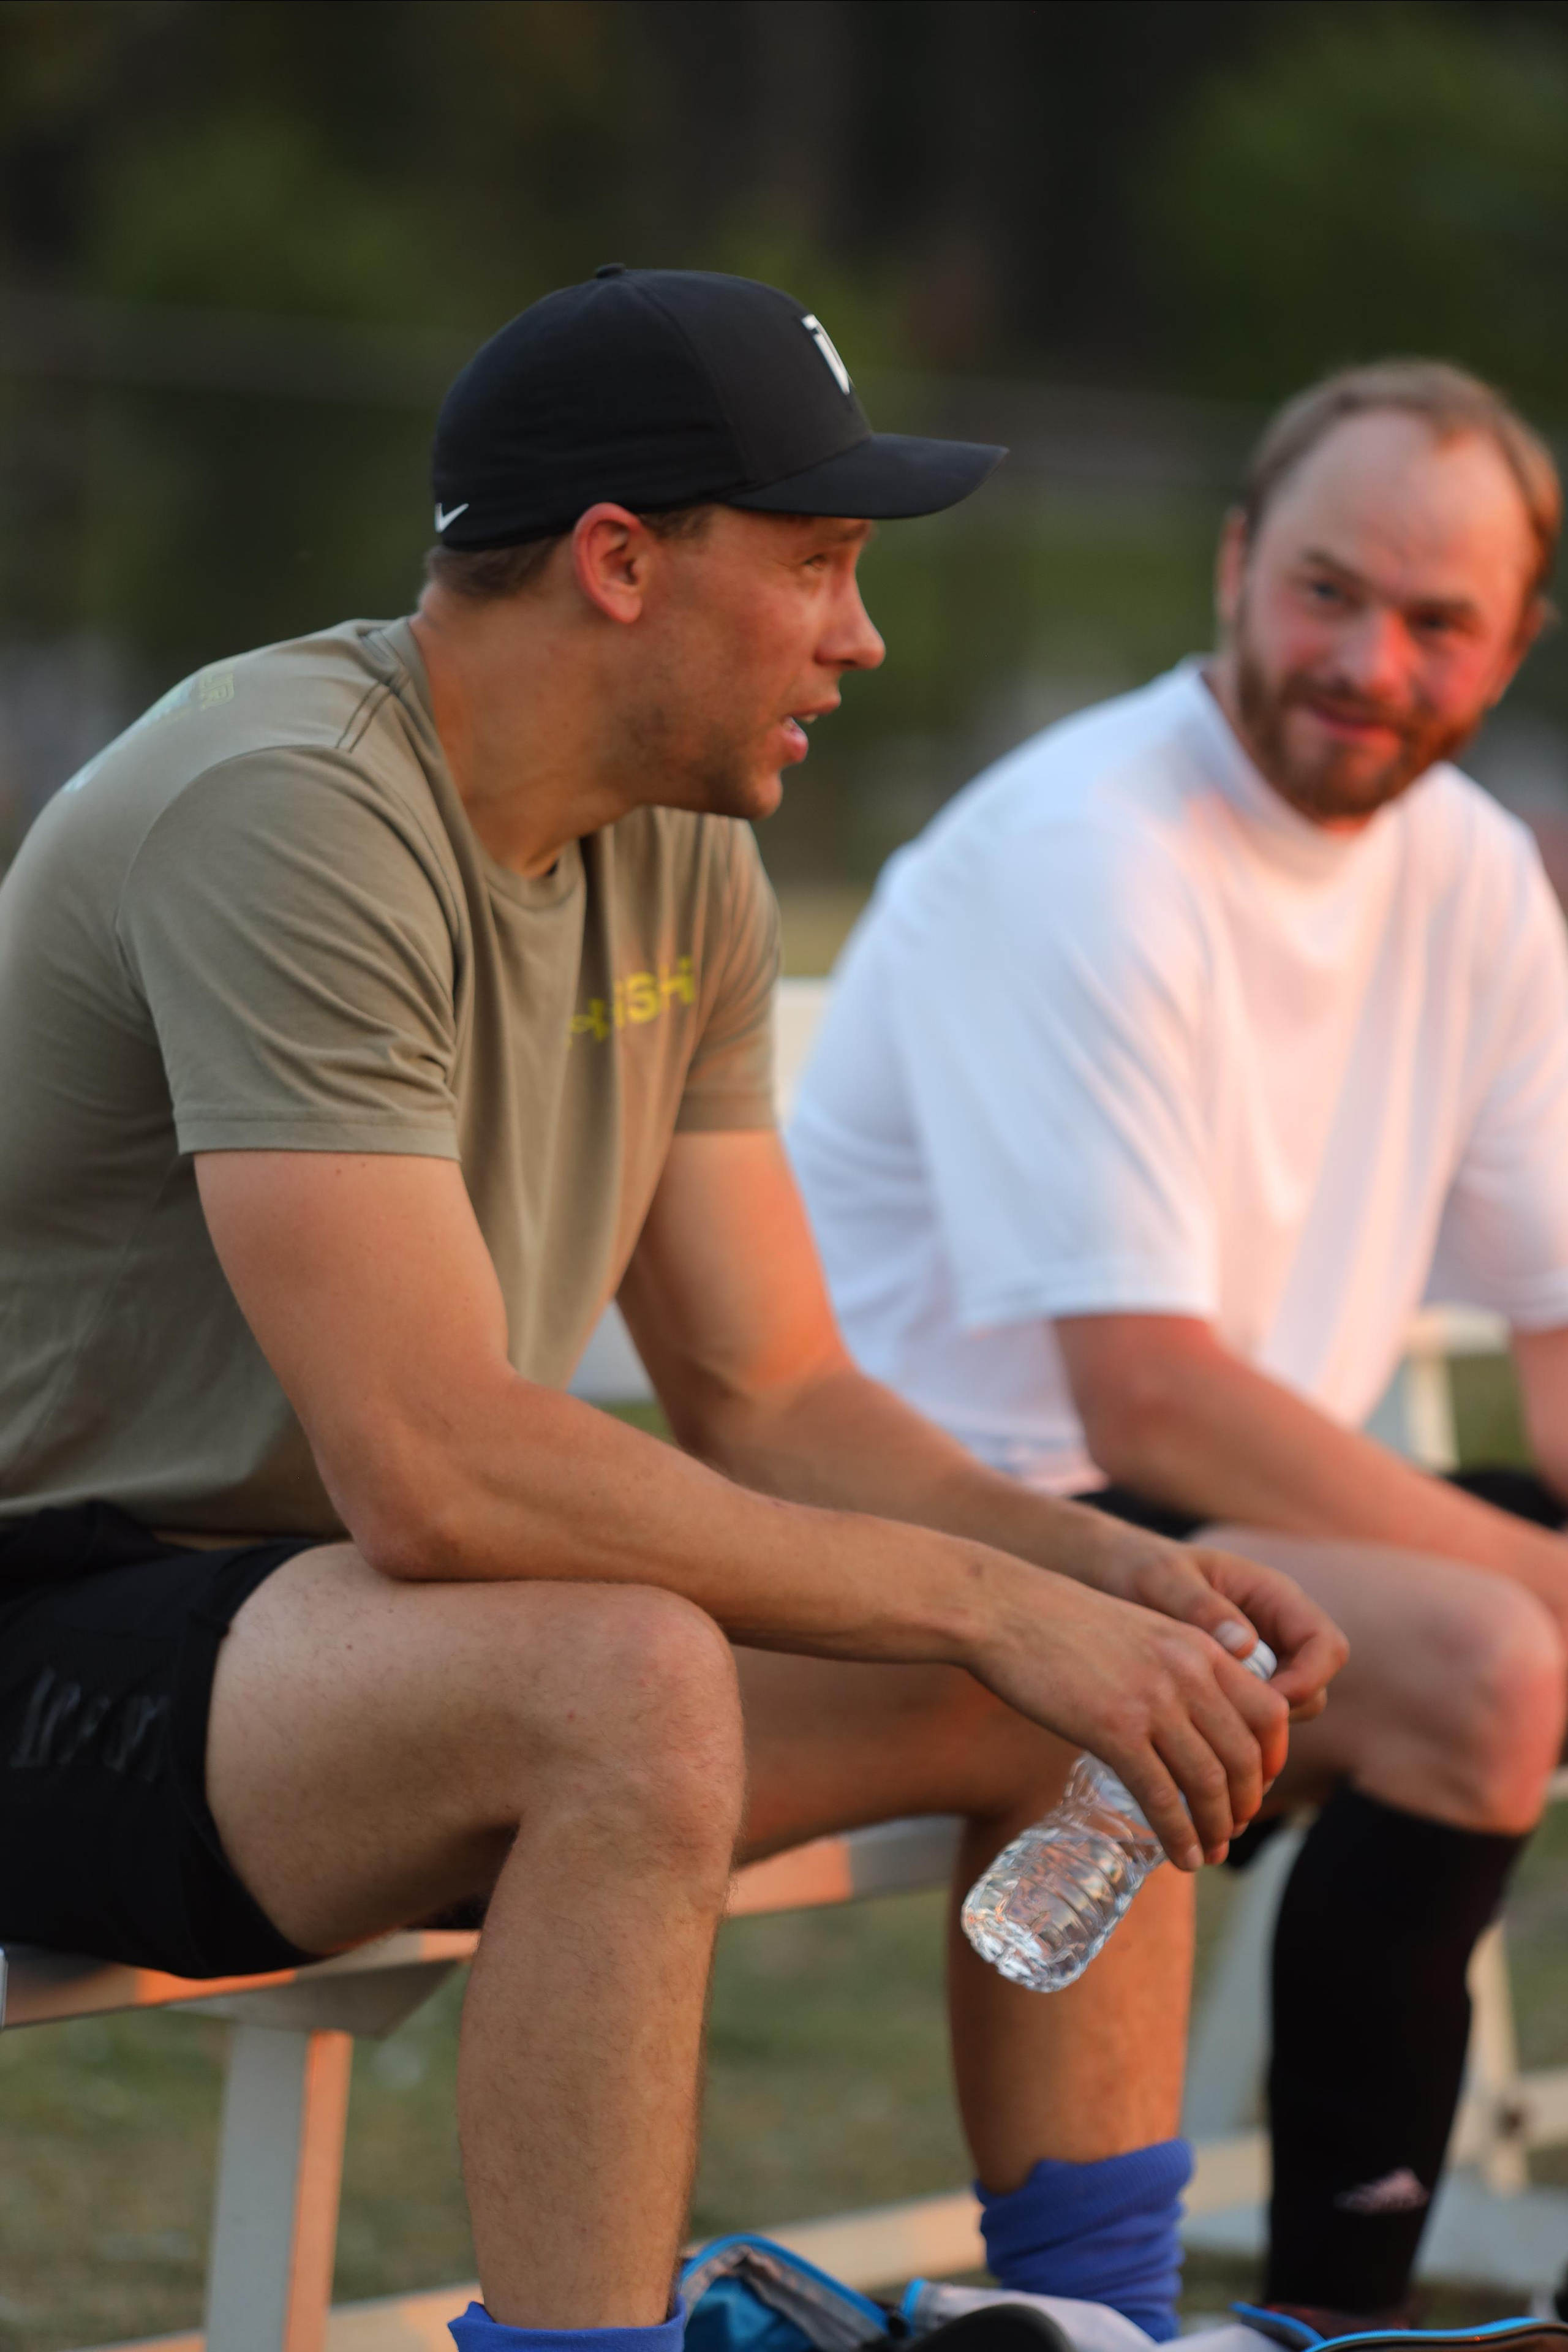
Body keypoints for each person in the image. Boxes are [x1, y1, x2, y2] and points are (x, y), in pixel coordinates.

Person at [0, 270, 1342, 2352]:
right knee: (622, 1683)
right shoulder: (285, 805)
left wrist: (1103, 1580)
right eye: (816, 566)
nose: (861, 634)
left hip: (344, 1644)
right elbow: (437, 1469)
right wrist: (986, 1597)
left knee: (1093, 1669)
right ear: (620, 562)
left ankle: (1112, 2332)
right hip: (57, 1629)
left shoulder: (679, 846)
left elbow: (776, 1388)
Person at [789, 359, 1568, 2335]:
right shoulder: (1091, 855)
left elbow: (1559, 1321)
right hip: (951, 1524)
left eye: (1437, 621)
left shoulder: (1473, 868)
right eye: (1326, 592)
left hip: (1210, 1518)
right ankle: (1330, 2310)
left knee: (1501, 1631)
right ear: (1233, 568)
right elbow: (1143, 1389)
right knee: (1490, 1657)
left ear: (1514, 642)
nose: (1368, 660)